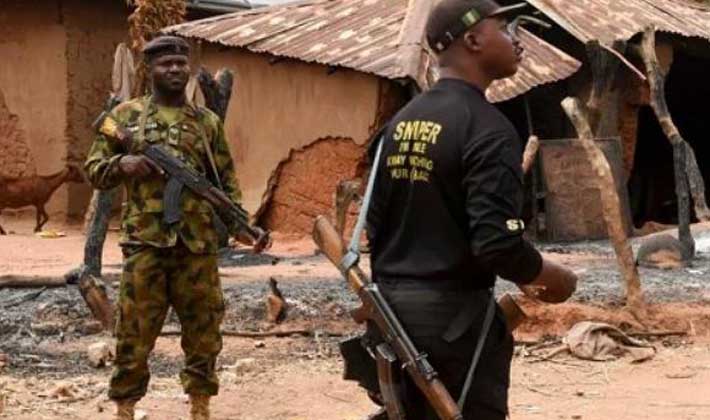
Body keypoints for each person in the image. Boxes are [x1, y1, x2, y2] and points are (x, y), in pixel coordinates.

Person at [364, 1, 578, 419]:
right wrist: (554, 277)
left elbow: (376, 225)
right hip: (454, 328)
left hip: (391, 320)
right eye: (506, 28)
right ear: (474, 40)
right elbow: (497, 246)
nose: (518, 40)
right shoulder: (487, 129)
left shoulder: (397, 125)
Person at [85, 35, 243, 420]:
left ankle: (200, 409)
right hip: (145, 245)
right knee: (133, 335)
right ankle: (125, 409)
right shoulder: (126, 117)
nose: (174, 69)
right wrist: (121, 165)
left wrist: (240, 223)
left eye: (180, 63)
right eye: (165, 64)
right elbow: (93, 169)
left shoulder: (206, 123)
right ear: (149, 69)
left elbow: (226, 180)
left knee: (205, 334)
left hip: (197, 248)